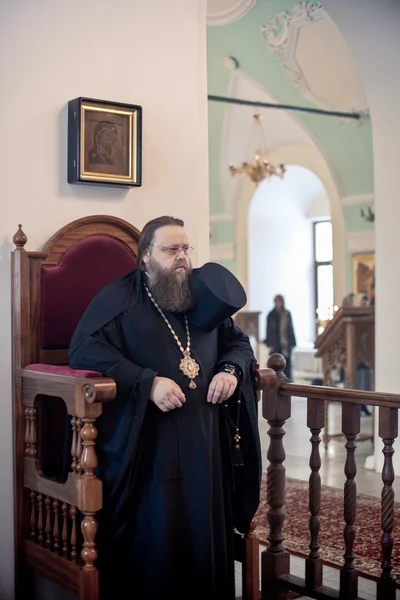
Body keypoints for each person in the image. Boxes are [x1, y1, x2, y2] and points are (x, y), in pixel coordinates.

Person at [68, 215, 261, 600]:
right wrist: (147, 382)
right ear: (145, 258)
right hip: (151, 450)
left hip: (207, 448)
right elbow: (84, 349)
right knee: (161, 542)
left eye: (186, 249)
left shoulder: (201, 297)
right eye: (172, 250)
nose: (182, 258)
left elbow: (239, 344)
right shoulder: (120, 299)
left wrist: (229, 371)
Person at [264, 294, 296, 380]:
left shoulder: (287, 313)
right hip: (275, 344)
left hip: (285, 344)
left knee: (287, 366)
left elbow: (291, 329)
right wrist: (270, 344)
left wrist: (293, 342)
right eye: (278, 301)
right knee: (275, 365)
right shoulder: (271, 315)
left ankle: (287, 383)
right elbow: (269, 330)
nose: (279, 303)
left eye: (280, 301)